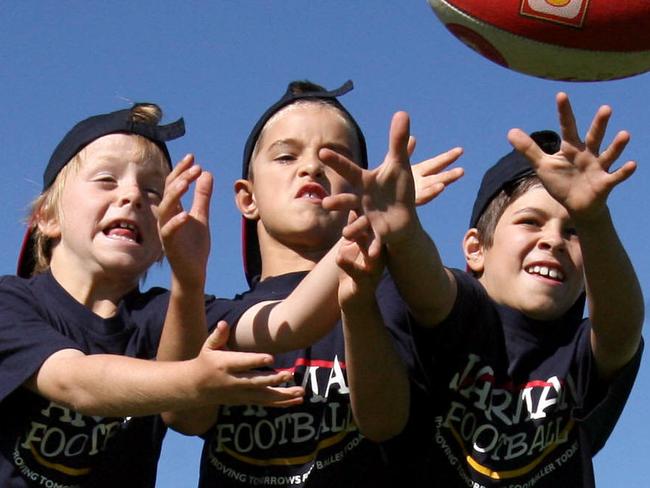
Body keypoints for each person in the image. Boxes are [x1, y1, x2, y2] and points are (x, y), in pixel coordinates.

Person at [321, 92, 644, 486]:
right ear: (476, 249)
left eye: (573, 232)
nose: (554, 240)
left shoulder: (576, 350)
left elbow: (622, 329)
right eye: (530, 222)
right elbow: (430, 290)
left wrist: (595, 219)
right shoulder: (467, 312)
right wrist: (404, 234)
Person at [156, 80, 462, 487]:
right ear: (247, 198)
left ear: (360, 186)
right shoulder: (212, 313)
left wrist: (367, 277)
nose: (311, 168)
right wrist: (185, 280)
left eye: (334, 160)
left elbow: (385, 421)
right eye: (285, 156)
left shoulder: (391, 294)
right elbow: (183, 415)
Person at [0, 103, 303, 488]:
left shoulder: (166, 314)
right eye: (107, 179)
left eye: (153, 190)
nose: (133, 196)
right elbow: (73, 381)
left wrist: (368, 221)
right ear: (47, 215)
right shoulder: (10, 303)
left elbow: (287, 320)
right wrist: (192, 380)